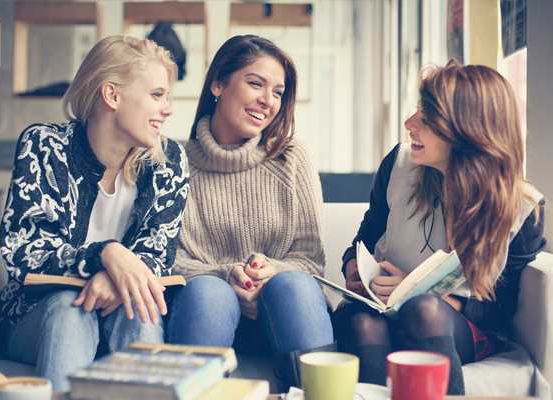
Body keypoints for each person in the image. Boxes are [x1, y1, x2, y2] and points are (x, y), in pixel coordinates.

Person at [0, 35, 189, 391]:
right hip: (34, 317)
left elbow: (157, 253)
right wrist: (106, 255)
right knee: (70, 309)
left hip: (121, 310)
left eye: (167, 96)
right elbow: (26, 250)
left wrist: (115, 275)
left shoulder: (168, 161)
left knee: (140, 308)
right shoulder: (44, 145)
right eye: (156, 95)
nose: (167, 109)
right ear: (112, 95)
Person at [333, 61, 546, 395]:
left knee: (423, 310)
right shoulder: (399, 165)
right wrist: (352, 269)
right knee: (361, 322)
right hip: (378, 310)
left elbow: (501, 309)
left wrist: (420, 292)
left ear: (468, 129)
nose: (408, 124)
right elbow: (364, 239)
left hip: (455, 325)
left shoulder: (522, 209)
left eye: (427, 117)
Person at [165, 34, 334, 388]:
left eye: (277, 92)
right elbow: (167, 259)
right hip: (203, 314)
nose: (267, 101)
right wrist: (227, 274)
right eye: (255, 84)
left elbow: (309, 260)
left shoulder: (291, 158)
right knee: (210, 291)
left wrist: (270, 271)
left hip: (282, 314)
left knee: (292, 284)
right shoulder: (170, 163)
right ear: (217, 84)